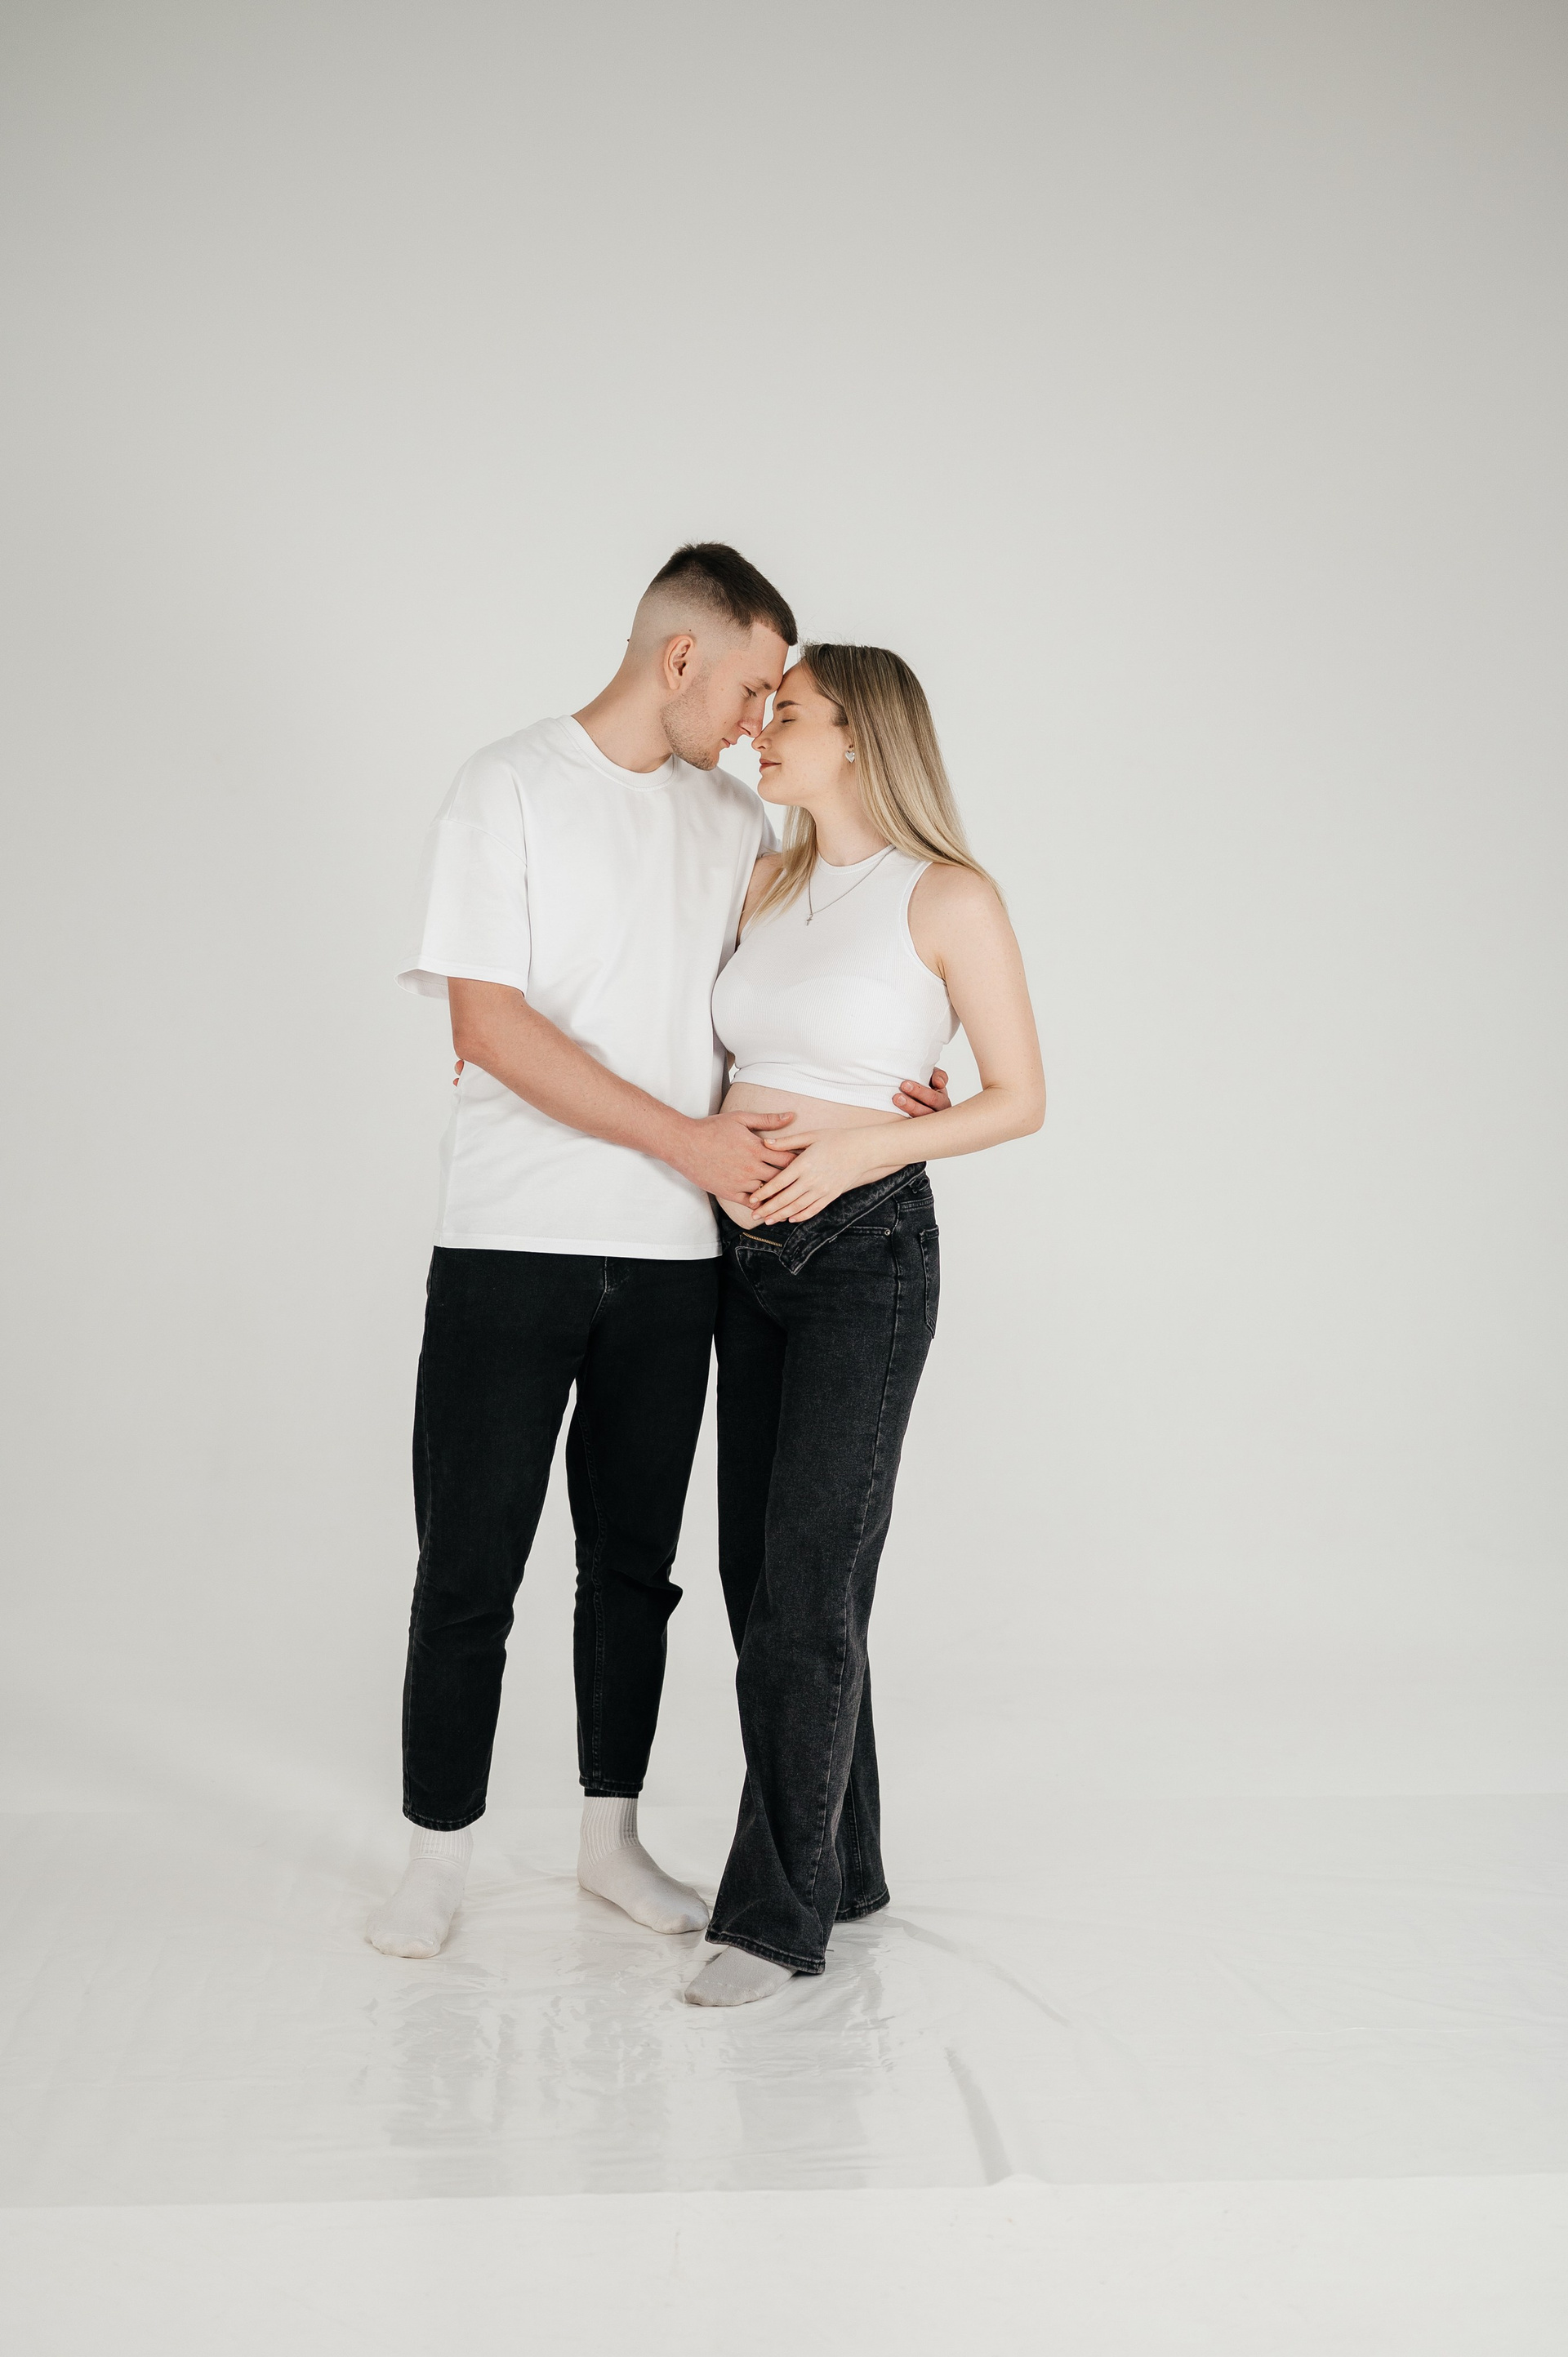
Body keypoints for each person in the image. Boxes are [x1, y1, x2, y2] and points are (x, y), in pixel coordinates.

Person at [367, 550, 949, 1959]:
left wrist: (890, 1089)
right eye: (752, 688)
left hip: (683, 1258)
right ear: (682, 658)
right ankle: (434, 1855)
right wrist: (687, 1141)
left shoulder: (735, 824)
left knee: (633, 1567)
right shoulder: (505, 786)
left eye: (781, 704)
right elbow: (488, 1027)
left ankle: (608, 1840)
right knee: (470, 1564)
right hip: (511, 1235)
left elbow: (808, 980)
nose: (760, 723)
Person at [683, 644, 1045, 2007]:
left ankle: (773, 1918)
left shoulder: (946, 894)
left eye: (790, 713)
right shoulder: (766, 885)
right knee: (766, 1579)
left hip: (864, 1254)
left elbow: (1017, 1096)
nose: (762, 732)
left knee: (806, 1585)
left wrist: (858, 1149)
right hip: (741, 1254)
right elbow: (737, 1062)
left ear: (861, 737)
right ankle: (850, 1863)